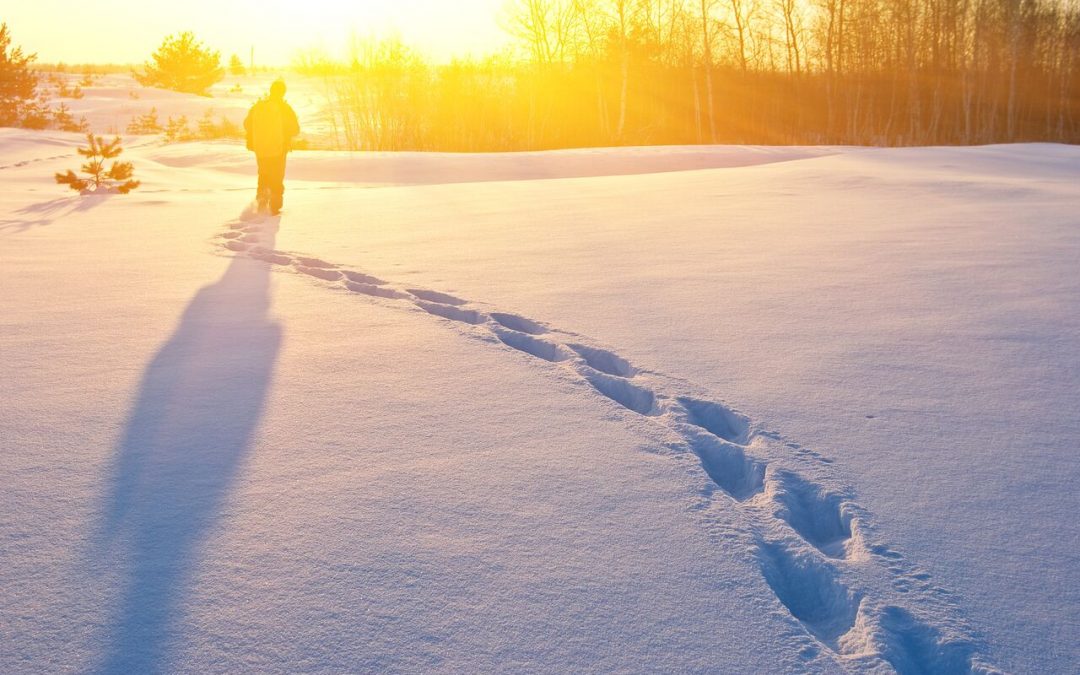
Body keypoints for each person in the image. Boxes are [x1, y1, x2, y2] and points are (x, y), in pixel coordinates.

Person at [244, 80, 300, 215]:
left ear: (271, 90)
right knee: (277, 176)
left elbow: (246, 124)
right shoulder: (284, 108)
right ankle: (275, 207)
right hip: (278, 148)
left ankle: (261, 202)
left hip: (261, 148)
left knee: (263, 174)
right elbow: (295, 129)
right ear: (283, 92)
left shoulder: (258, 106)